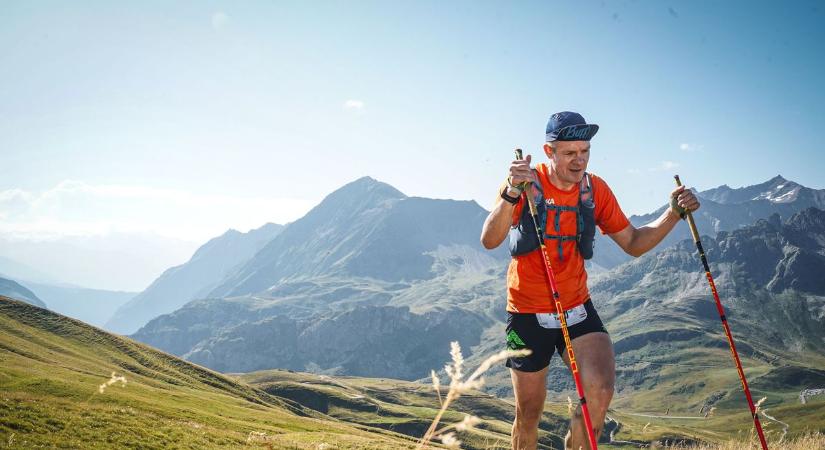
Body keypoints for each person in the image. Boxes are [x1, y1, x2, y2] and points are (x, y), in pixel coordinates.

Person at [479, 111, 700, 450]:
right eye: (569, 153)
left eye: (585, 151)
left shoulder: (594, 190)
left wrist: (673, 214)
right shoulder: (526, 184)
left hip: (576, 307)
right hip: (526, 312)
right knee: (528, 416)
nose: (579, 160)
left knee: (600, 389)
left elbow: (634, 243)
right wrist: (511, 191)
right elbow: (490, 239)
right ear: (549, 151)